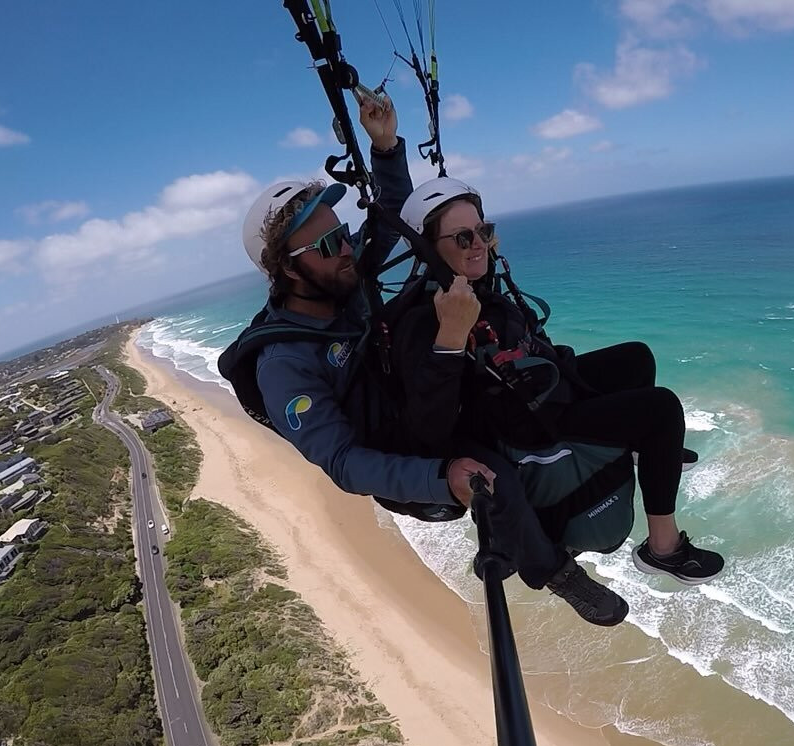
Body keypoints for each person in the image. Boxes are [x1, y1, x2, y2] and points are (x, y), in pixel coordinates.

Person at [391, 177, 725, 621]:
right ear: (431, 250)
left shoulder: (478, 288)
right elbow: (429, 426)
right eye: (463, 237)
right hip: (523, 424)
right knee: (662, 409)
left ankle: (651, 452)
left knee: (636, 359)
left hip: (536, 392)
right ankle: (662, 548)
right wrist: (450, 338)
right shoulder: (422, 320)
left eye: (484, 231)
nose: (479, 245)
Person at [236, 95, 495, 519]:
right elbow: (343, 462)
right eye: (325, 244)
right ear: (289, 268)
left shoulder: (342, 274)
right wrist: (439, 479)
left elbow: (389, 212)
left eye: (342, 233)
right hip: (409, 458)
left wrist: (386, 145)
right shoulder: (284, 365)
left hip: (428, 404)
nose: (345, 249)